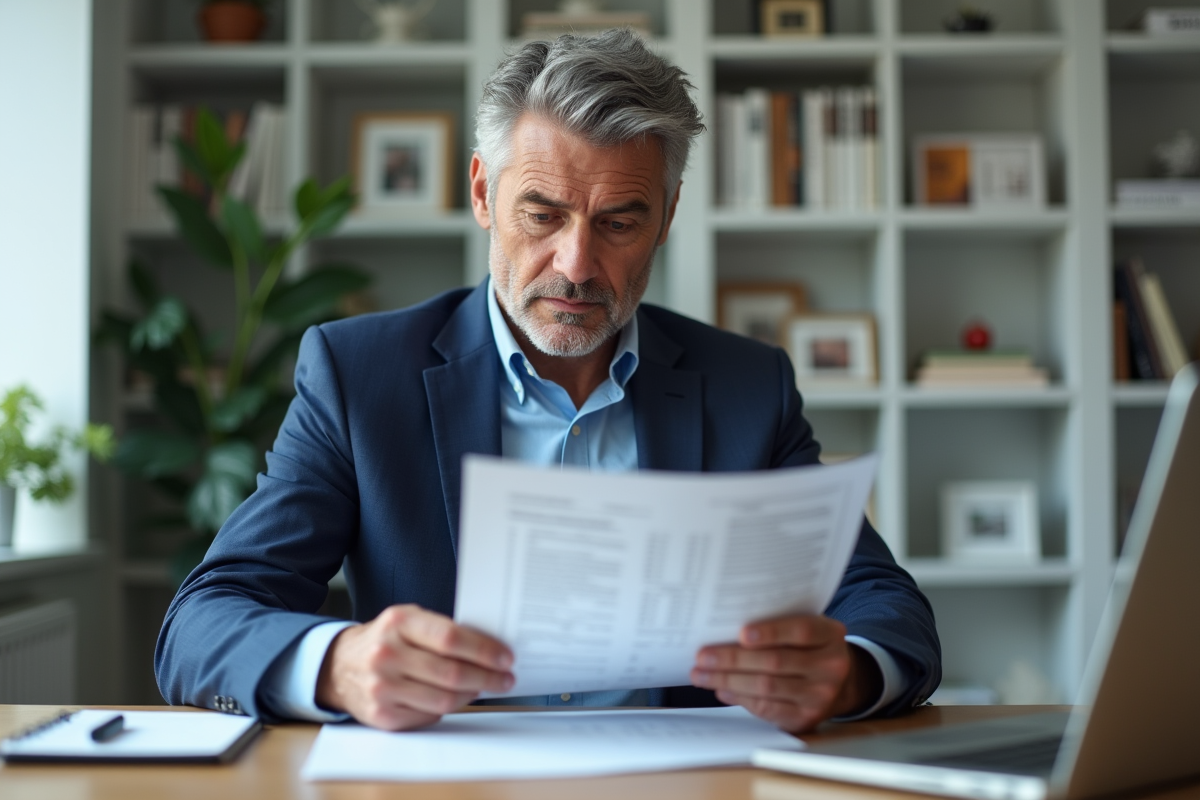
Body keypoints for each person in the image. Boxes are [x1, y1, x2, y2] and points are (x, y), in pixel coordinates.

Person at [156, 29, 940, 734]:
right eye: (542, 215)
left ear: (665, 219)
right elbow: (202, 622)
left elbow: (889, 609)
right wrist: (341, 664)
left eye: (618, 222)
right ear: (480, 194)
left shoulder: (746, 386)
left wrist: (847, 673)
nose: (575, 266)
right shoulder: (360, 376)